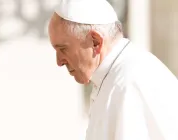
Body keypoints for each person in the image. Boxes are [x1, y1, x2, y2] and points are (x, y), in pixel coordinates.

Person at [47, 0, 178, 140]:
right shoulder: (116, 74)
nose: (59, 61)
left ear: (95, 42)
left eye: (63, 49)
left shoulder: (126, 84)